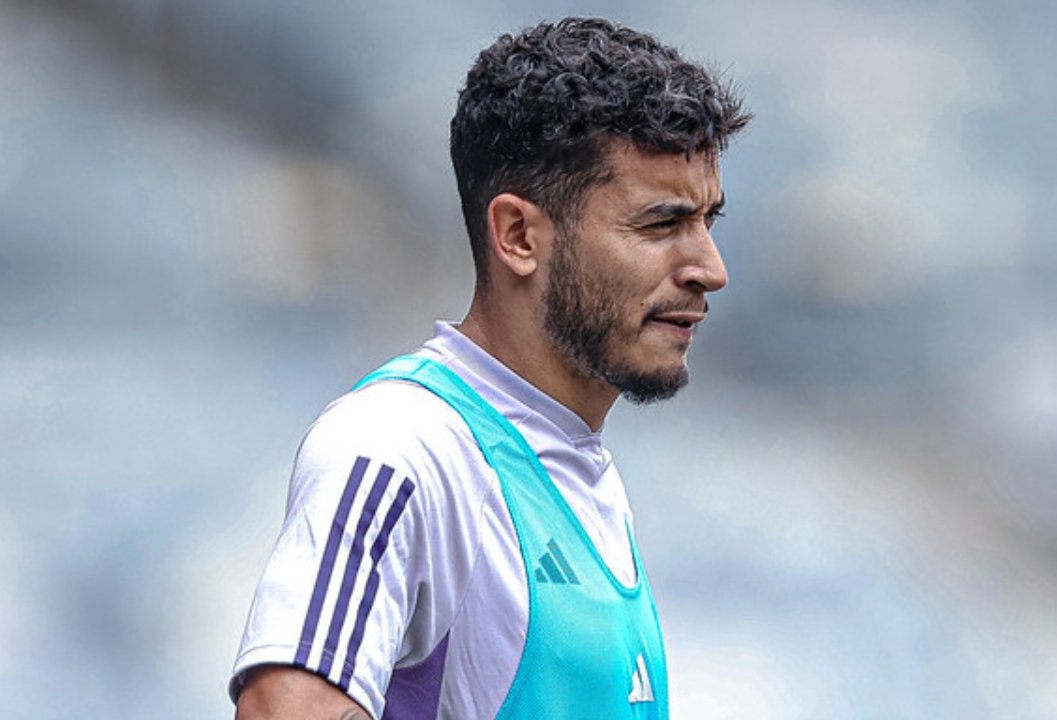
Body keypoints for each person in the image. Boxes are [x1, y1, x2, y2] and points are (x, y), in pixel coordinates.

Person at [230, 16, 749, 720]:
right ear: (518, 236)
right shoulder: (403, 445)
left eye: (707, 222)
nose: (709, 270)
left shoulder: (573, 464)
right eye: (660, 225)